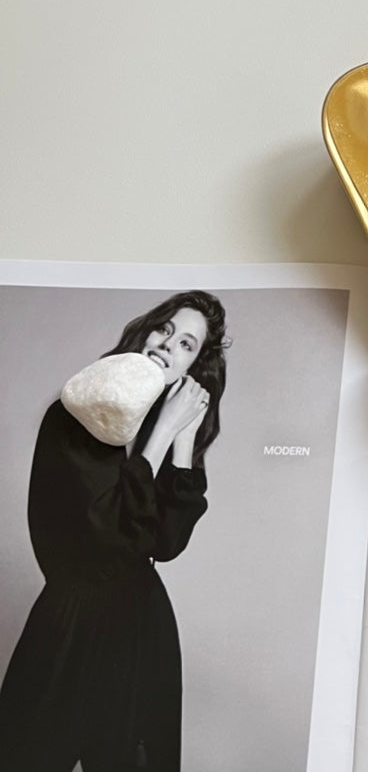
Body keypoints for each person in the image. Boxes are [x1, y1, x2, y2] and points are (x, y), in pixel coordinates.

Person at [0, 291, 229, 772]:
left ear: (192, 366)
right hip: (69, 619)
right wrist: (161, 436)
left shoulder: (167, 426)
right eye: (164, 329)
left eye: (186, 344)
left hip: (139, 624)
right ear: (145, 330)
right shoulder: (73, 412)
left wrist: (183, 439)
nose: (167, 345)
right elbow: (103, 531)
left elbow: (166, 544)